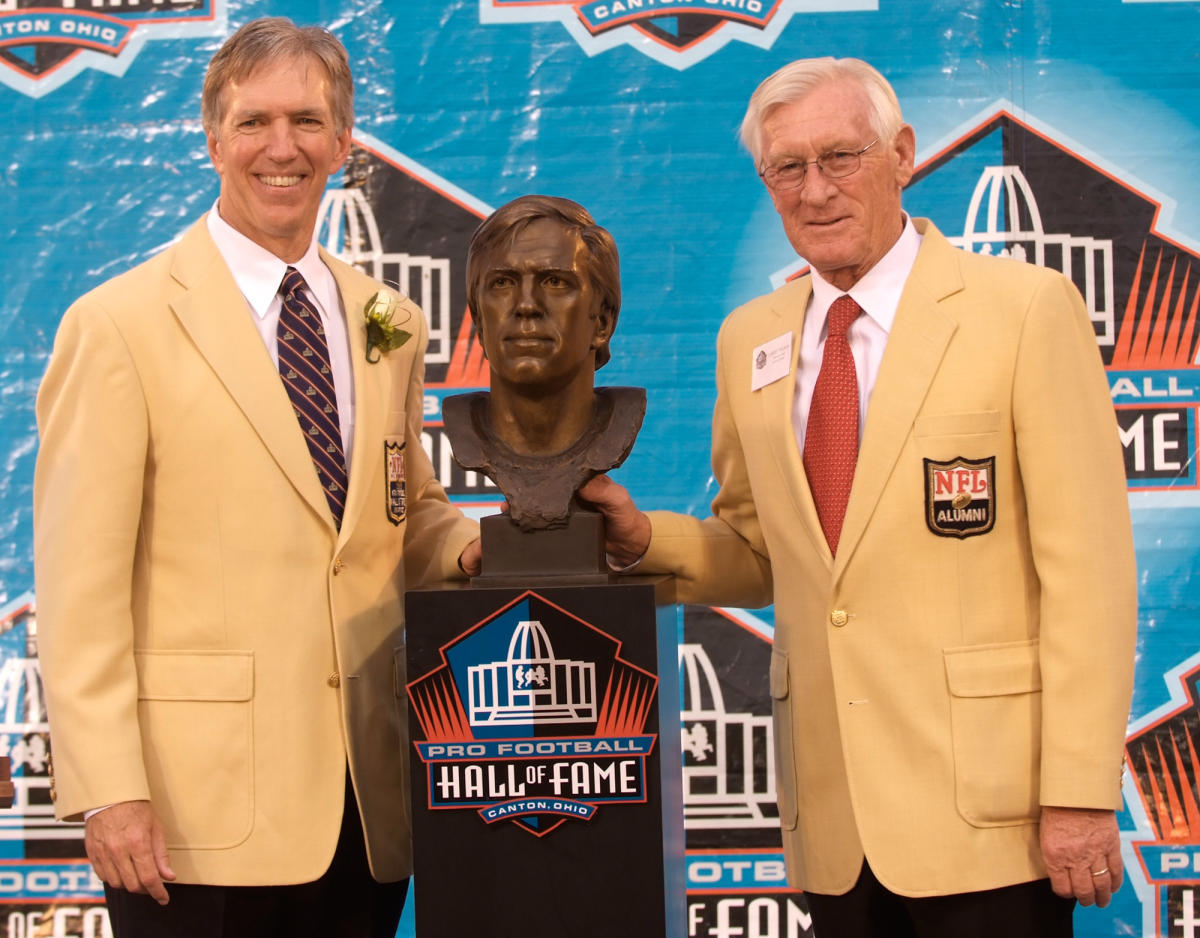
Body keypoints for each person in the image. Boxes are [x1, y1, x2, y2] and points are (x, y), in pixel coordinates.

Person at [581, 56, 1136, 937]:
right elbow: (761, 552)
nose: (815, 190)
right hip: (834, 823)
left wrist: (1076, 791)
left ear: (904, 154)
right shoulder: (749, 338)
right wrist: (642, 538)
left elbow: (1091, 577)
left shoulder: (1024, 309)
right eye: (787, 168)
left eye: (841, 156)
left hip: (992, 819)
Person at [32, 17, 480, 938]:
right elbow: (78, 589)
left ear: (344, 140)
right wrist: (108, 789)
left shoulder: (385, 319)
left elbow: (407, 512)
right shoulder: (118, 324)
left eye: (309, 122)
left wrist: (514, 547)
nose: (284, 148)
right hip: (193, 824)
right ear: (212, 138)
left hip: (364, 809)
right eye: (255, 122)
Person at [443, 194, 645, 531]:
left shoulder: (619, 421)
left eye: (555, 282)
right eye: (503, 283)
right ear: (479, 321)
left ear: (603, 323)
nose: (526, 305)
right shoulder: (465, 429)